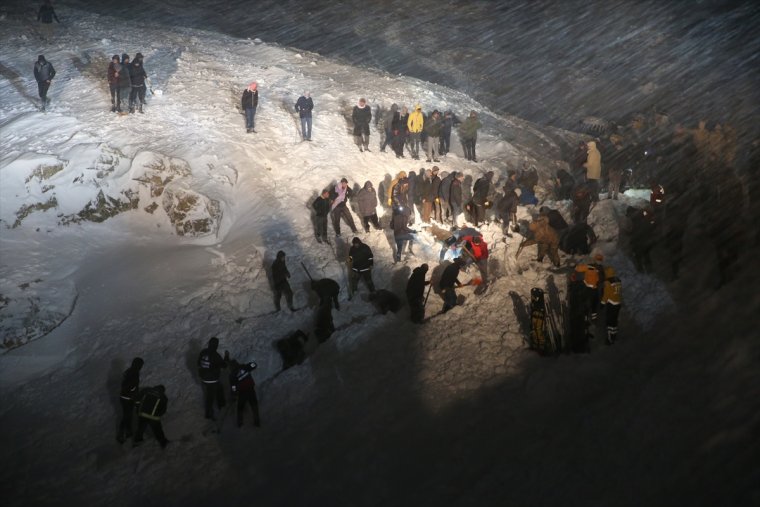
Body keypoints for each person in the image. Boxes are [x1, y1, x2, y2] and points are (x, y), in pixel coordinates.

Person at [197, 337, 229, 420]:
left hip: (204, 378)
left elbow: (198, 363)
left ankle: (221, 405)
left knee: (219, 388)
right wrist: (226, 357)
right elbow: (224, 365)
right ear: (216, 345)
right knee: (211, 396)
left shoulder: (203, 352)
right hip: (212, 380)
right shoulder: (215, 355)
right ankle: (210, 412)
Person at [117, 357, 144, 444]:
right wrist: (136, 400)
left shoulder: (130, 371)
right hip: (127, 398)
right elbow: (133, 388)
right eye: (141, 365)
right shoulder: (134, 373)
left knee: (128, 415)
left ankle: (128, 432)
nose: (141, 367)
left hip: (125, 397)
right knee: (127, 416)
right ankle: (121, 434)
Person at [229, 360, 261, 427]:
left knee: (240, 407)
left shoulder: (232, 375)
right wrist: (252, 364)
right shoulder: (244, 367)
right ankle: (257, 421)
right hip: (250, 390)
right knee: (254, 405)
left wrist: (234, 394)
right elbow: (254, 365)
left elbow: (233, 387)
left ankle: (240, 423)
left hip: (242, 393)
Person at [600, 266, 622, 344]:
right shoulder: (618, 280)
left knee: (609, 322)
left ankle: (610, 339)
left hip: (611, 304)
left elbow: (606, 294)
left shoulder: (607, 282)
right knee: (614, 321)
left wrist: (602, 303)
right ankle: (614, 336)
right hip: (618, 303)